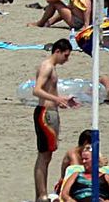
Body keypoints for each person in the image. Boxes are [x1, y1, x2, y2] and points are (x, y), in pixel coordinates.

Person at [33, 38, 76, 202]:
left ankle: (42, 194)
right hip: (45, 113)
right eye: (65, 55)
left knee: (48, 155)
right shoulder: (47, 66)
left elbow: (49, 90)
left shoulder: (52, 68)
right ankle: (41, 195)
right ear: (57, 51)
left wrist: (63, 100)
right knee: (43, 155)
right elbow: (36, 90)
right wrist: (57, 100)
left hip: (51, 112)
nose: (67, 59)